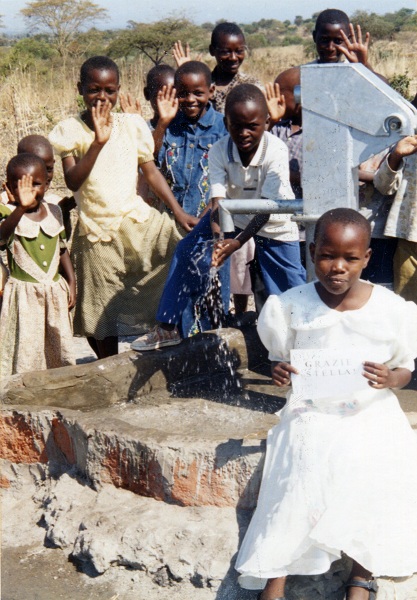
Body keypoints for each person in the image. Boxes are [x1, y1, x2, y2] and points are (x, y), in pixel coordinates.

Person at [235, 208, 417, 600]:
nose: (337, 267)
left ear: (366, 258)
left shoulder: (390, 309)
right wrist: (280, 372)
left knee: (376, 457)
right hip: (311, 410)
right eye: (326, 256)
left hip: (370, 409)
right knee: (299, 460)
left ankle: (361, 573)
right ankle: (277, 574)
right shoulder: (290, 306)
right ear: (311, 252)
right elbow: (279, 359)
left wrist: (390, 379)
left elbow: (404, 369)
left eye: (350, 258)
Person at [131, 84, 305, 351]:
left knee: (288, 287)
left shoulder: (276, 151)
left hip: (273, 221)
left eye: (253, 126)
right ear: (227, 123)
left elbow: (267, 208)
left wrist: (236, 243)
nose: (244, 133)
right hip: (233, 214)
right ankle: (168, 327)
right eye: (237, 126)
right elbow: (218, 200)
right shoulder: (219, 150)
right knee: (188, 249)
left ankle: (305, 342)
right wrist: (217, 239)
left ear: (266, 122)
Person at [49, 56, 193, 359]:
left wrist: (177, 211)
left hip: (136, 220)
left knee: (183, 247)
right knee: (102, 310)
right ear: (80, 89)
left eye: (110, 91)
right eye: (94, 90)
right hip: (96, 231)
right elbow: (73, 181)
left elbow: (150, 170)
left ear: (118, 90)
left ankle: (170, 330)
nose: (102, 98)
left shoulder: (130, 124)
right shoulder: (70, 130)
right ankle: (108, 364)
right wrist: (98, 143)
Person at [0, 153, 75, 377]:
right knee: (27, 346)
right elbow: (1, 238)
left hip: (54, 291)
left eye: (36, 184)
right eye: (21, 186)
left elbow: (62, 249)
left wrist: (71, 280)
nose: (30, 191)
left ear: (47, 183)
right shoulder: (9, 217)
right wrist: (20, 208)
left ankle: (60, 386)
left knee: (58, 341)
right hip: (25, 296)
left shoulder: (54, 211)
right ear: (8, 188)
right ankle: (24, 393)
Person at [155, 60, 227, 220]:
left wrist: (204, 218)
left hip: (209, 219)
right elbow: (150, 160)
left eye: (198, 93)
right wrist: (162, 122)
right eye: (183, 93)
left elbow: (229, 180)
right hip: (171, 218)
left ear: (211, 91)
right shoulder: (169, 125)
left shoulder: (223, 128)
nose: (190, 99)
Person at [373, 134, 417, 301]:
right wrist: (396, 156)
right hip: (409, 239)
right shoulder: (409, 144)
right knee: (409, 308)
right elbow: (383, 186)